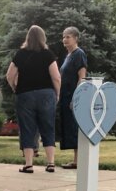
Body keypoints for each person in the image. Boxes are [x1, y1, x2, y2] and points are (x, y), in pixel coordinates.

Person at [6, 25, 61, 173]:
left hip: (25, 95)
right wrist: (57, 93)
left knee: (27, 129)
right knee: (48, 127)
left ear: (27, 37)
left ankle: (29, 164)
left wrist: (15, 88)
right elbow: (56, 77)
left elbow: (10, 75)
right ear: (43, 38)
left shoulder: (21, 54)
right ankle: (50, 163)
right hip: (46, 94)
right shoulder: (48, 54)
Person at [57, 27, 88, 167]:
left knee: (75, 127)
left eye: (68, 37)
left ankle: (79, 161)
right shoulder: (67, 56)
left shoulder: (79, 54)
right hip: (64, 97)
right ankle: (76, 160)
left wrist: (76, 97)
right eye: (63, 37)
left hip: (72, 97)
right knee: (69, 127)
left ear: (76, 38)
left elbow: (82, 77)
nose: (65, 39)